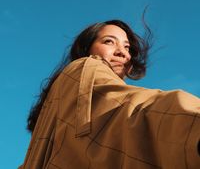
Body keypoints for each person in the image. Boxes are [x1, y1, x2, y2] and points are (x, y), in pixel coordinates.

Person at [19, 19, 200, 169]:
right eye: (109, 41)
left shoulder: (55, 106)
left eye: (127, 47)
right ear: (87, 48)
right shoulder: (85, 67)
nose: (123, 53)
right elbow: (133, 108)